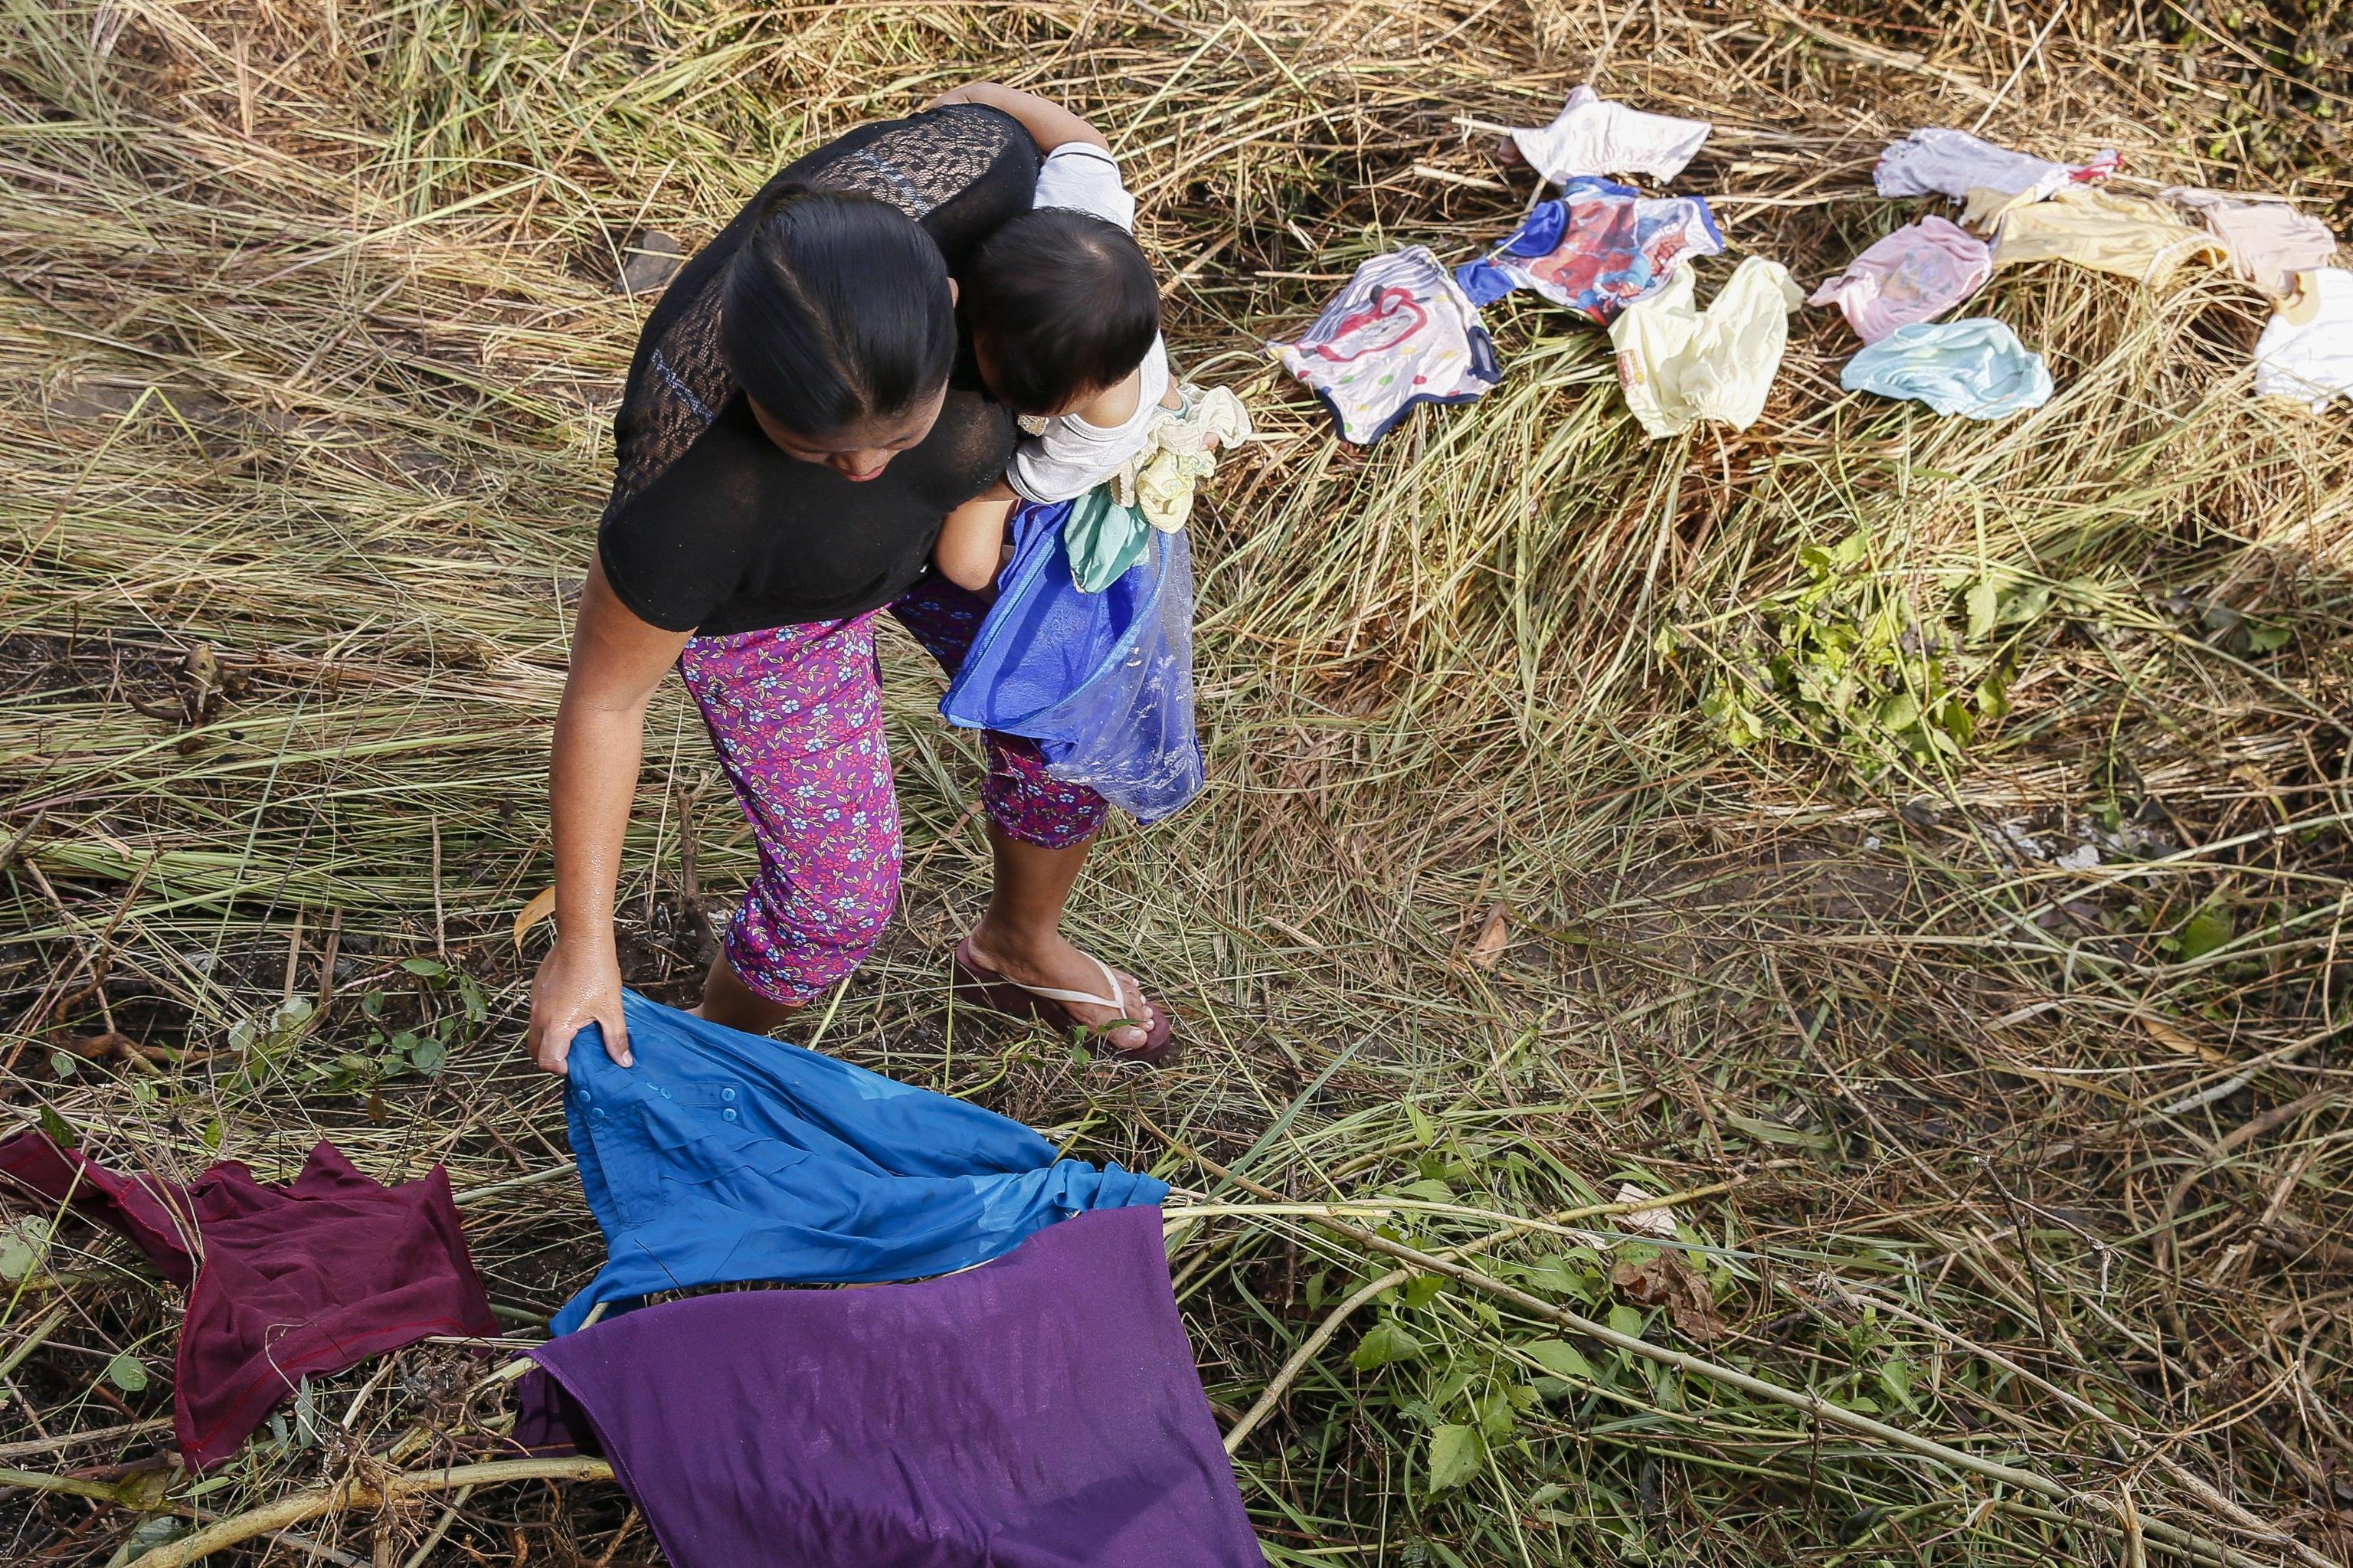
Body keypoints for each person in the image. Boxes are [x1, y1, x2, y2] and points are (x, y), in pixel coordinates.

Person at [525, 99, 1176, 1079]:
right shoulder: (689, 500)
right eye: (819, 448)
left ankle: (1015, 946)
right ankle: (710, 1063)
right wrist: (587, 942)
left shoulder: (979, 202)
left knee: (1069, 703)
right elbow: (607, 699)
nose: (866, 466)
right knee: (837, 900)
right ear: (751, 388)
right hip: (782, 619)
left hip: (962, 523)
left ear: (953, 307)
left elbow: (1043, 127)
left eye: (902, 431)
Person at [925, 81, 1182, 594]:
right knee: (1161, 386)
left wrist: (978, 487)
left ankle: (1054, 593)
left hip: (1096, 443)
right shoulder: (1082, 206)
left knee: (964, 565)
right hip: (1131, 344)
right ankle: (1173, 402)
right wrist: (975, 96)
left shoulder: (1098, 429)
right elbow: (1081, 139)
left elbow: (1035, 478)